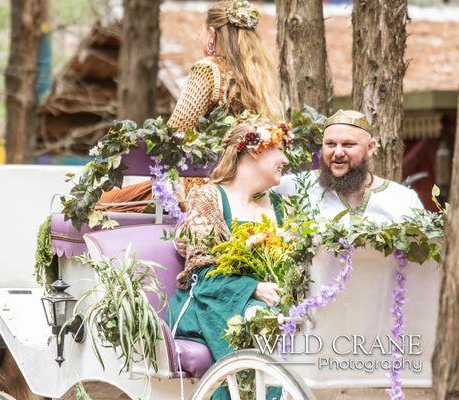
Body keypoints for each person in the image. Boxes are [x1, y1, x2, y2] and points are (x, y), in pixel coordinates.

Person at [98, 0, 284, 211]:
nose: (200, 37)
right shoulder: (259, 79)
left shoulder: (209, 70)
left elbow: (175, 133)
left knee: (104, 206)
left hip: (200, 187)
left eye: (203, 31)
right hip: (246, 186)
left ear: (213, 34)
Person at [166, 119, 292, 399]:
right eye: (280, 149)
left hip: (272, 298)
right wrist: (253, 287)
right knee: (261, 319)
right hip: (212, 301)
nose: (285, 158)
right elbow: (202, 274)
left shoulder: (282, 207)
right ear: (256, 150)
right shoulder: (210, 197)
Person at [275, 109, 424, 223]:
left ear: (370, 148)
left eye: (348, 144)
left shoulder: (402, 200)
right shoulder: (292, 188)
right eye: (331, 144)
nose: (338, 152)